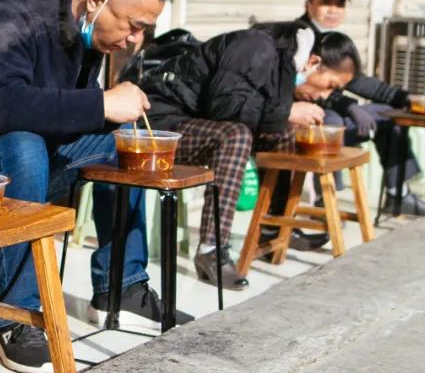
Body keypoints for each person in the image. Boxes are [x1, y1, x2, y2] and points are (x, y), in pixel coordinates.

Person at [0, 0, 169, 373]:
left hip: (30, 157)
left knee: (121, 146)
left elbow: (62, 115)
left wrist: (105, 112)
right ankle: (16, 315)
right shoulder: (10, 2)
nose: (136, 41)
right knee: (24, 146)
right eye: (135, 26)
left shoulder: (87, 29)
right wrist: (101, 103)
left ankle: (122, 287)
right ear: (95, 0)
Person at [136, 20, 363, 284]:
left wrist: (284, 116)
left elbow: (256, 112)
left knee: (281, 132)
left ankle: (273, 227)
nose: (325, 95)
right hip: (159, 126)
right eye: (330, 85)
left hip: (193, 123)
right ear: (313, 62)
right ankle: (212, 248)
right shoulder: (257, 46)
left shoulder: (284, 62)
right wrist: (287, 111)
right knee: (236, 136)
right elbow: (223, 105)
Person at [298, 0, 425, 219]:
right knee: (332, 121)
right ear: (309, 3)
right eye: (325, 2)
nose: (332, 10)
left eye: (339, 4)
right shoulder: (300, 38)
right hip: (302, 119)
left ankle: (398, 193)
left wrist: (403, 98)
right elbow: (306, 87)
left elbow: (357, 81)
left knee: (389, 114)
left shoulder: (335, 39)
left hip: (331, 114)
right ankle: (325, 203)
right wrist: (349, 106)